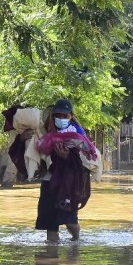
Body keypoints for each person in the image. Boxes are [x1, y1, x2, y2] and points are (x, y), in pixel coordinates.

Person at [35, 99, 93, 243]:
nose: (61, 119)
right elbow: (35, 154)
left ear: (71, 116)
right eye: (58, 115)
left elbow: (86, 161)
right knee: (51, 226)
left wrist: (67, 157)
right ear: (53, 115)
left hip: (69, 183)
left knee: (70, 221)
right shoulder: (44, 131)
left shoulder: (78, 134)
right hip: (50, 182)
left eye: (65, 116)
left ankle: (76, 240)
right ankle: (50, 259)